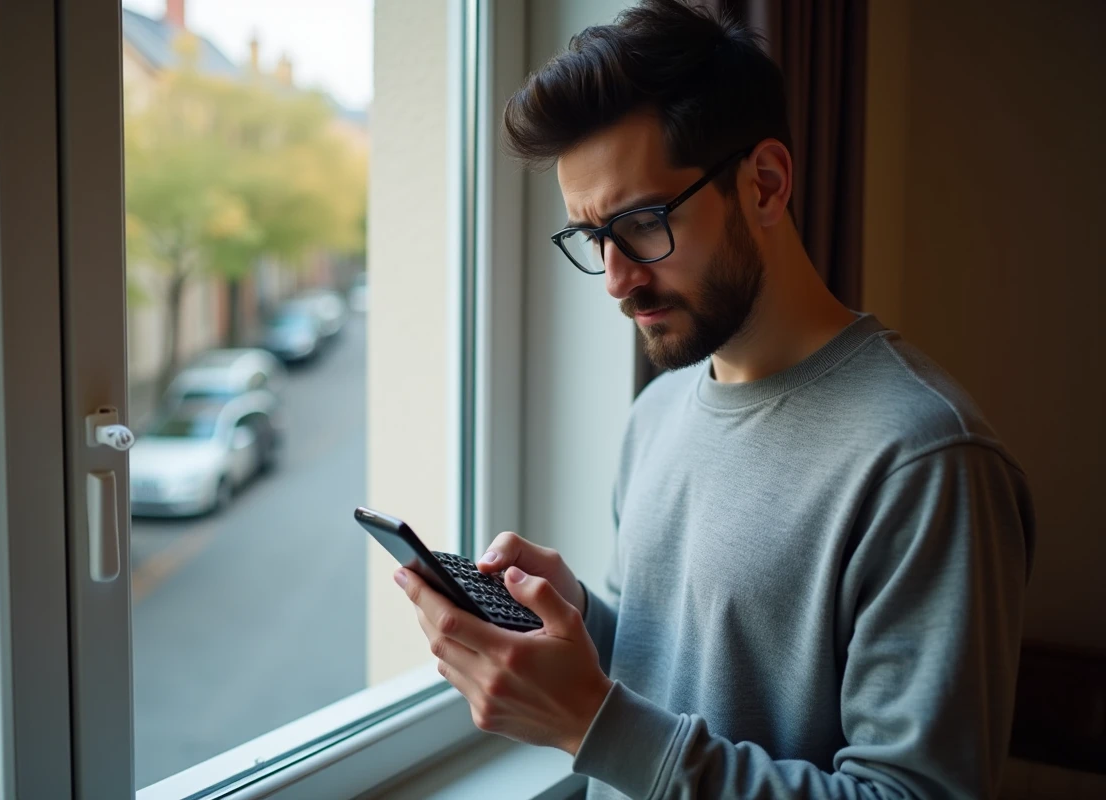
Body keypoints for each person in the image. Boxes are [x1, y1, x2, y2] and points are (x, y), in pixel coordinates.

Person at [393, 1, 1035, 797]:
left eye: (643, 222)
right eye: (594, 238)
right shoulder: (657, 412)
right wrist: (584, 621)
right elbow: (681, 673)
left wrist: (591, 723)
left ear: (764, 184)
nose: (620, 280)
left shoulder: (927, 460)